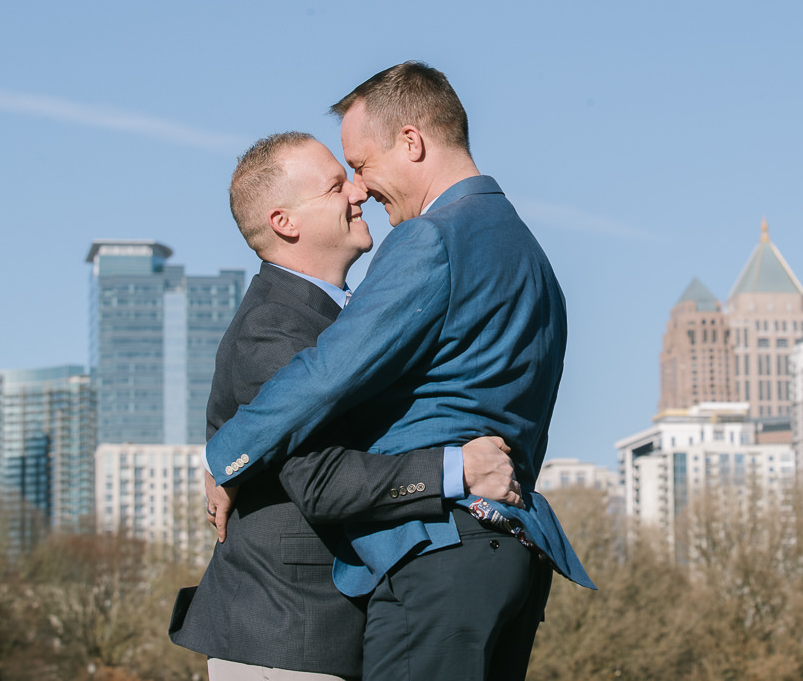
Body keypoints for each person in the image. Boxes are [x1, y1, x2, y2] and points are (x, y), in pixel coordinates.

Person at [206, 63, 592, 681]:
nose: (361, 187)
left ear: (411, 142)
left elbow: (328, 371)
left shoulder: (432, 239)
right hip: (510, 554)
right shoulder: (529, 255)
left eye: (358, 166)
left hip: (436, 553)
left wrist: (226, 453)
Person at [171, 131, 522, 681]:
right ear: (285, 222)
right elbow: (320, 482)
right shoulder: (269, 329)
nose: (359, 191)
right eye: (336, 186)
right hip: (285, 640)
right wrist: (458, 470)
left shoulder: (351, 319)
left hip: (327, 633)